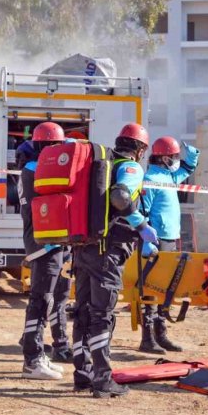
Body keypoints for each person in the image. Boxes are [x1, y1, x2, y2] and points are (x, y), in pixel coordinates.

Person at [73, 123, 158, 398]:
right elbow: (120, 196)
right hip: (107, 252)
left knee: (83, 312)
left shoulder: (100, 166)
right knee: (102, 314)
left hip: (84, 248)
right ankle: (103, 380)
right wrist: (141, 225)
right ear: (140, 149)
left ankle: (83, 375)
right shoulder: (130, 167)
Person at [17, 122, 71, 380]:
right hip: (44, 243)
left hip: (50, 242)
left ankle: (38, 355)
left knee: (49, 299)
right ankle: (32, 360)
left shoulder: (35, 167)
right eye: (55, 146)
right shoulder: (36, 169)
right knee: (40, 301)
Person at [138, 136, 200, 354]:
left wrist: (192, 156)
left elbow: (186, 169)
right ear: (164, 158)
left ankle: (161, 335)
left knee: (165, 289)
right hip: (157, 241)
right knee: (152, 288)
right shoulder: (151, 179)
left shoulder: (168, 177)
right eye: (174, 156)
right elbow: (143, 211)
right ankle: (148, 339)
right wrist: (146, 241)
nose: (176, 160)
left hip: (170, 239)